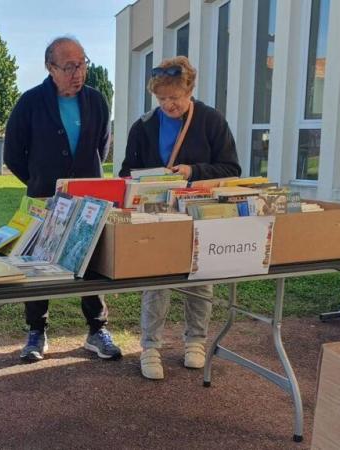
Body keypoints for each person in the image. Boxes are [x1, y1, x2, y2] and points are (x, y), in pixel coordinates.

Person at [118, 56, 241, 380]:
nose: (168, 105)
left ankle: (195, 342)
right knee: (156, 283)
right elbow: (125, 174)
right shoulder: (143, 126)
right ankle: (150, 348)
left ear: (190, 90)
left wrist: (193, 171)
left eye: (175, 98)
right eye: (162, 99)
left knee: (200, 279)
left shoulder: (212, 121)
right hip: (156, 217)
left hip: (200, 216)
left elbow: (232, 169)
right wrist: (148, 179)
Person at [4, 36, 122, 362]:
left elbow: (102, 147)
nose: (78, 72)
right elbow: (13, 154)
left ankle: (97, 330)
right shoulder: (30, 102)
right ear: (50, 68)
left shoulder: (97, 101)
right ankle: (36, 331)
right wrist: (40, 182)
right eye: (69, 66)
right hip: (44, 200)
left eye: (82, 63)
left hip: (88, 202)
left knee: (90, 265)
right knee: (37, 265)